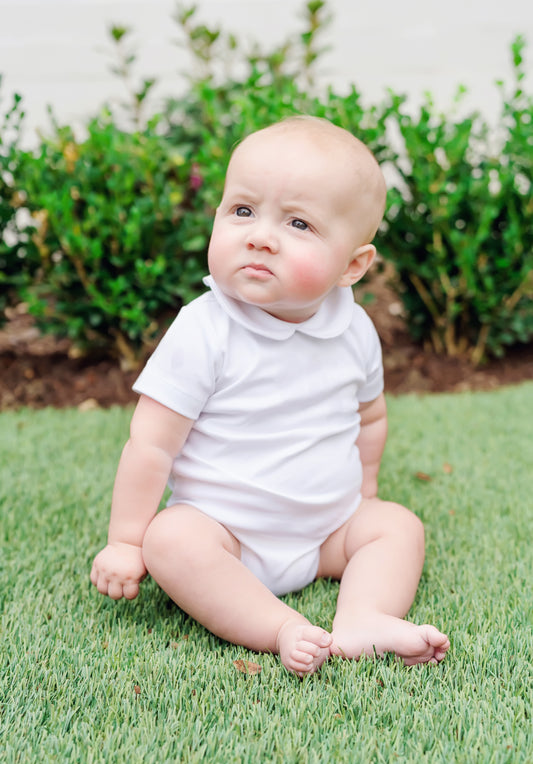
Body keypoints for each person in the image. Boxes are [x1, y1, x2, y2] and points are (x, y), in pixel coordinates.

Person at [91, 116, 450, 675]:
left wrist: (367, 494)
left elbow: (370, 416)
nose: (260, 234)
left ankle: (364, 615)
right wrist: (124, 541)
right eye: (242, 211)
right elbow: (150, 444)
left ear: (352, 265)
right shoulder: (204, 329)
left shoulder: (354, 331)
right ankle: (279, 625)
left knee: (398, 526)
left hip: (324, 530)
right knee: (171, 540)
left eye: (299, 223)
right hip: (225, 533)